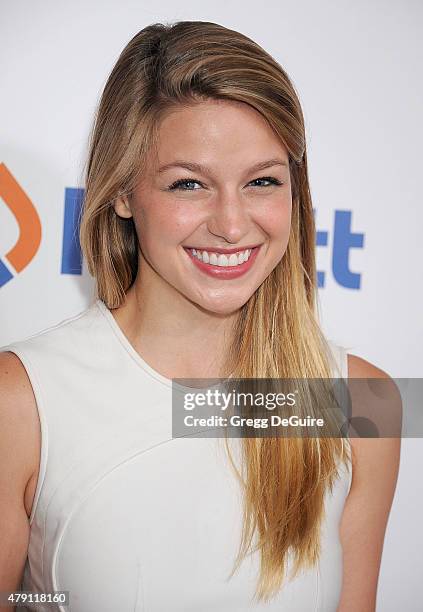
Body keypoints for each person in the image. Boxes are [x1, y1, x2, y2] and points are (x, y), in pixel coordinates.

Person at [0, 20, 400, 612]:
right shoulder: (22, 402)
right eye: (189, 184)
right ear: (123, 193)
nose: (232, 224)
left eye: (262, 181)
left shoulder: (363, 402)